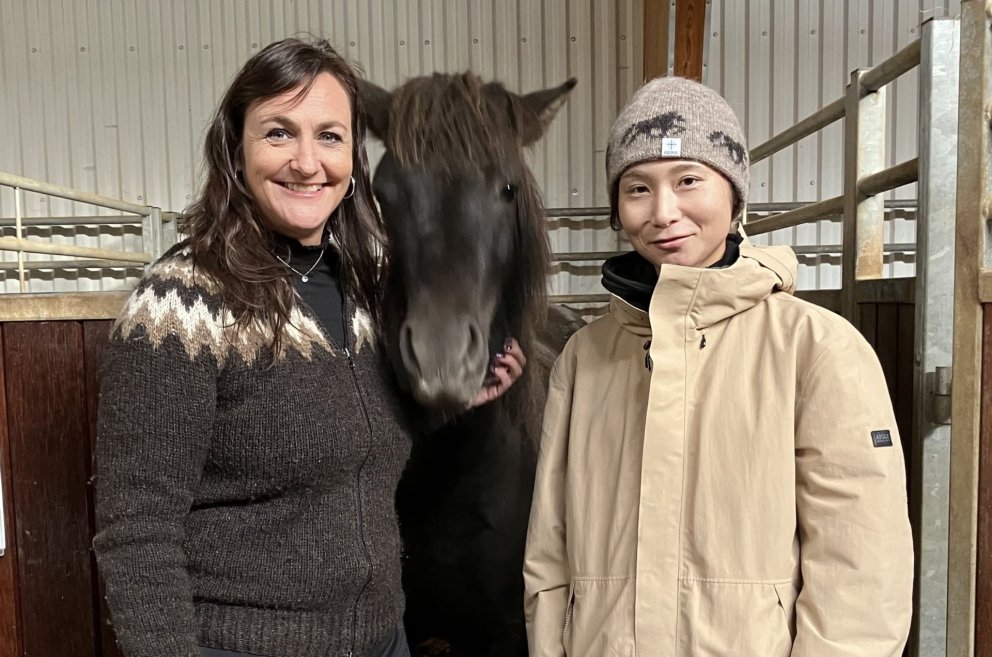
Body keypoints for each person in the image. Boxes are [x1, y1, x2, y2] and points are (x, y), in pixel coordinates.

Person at [93, 38, 525, 657]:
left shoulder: (362, 287)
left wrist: (452, 401)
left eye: (329, 136)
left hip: (381, 640)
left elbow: (353, 437)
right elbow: (137, 531)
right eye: (277, 134)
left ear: (355, 156)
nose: (306, 161)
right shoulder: (179, 306)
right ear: (235, 150)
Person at [523, 76, 913, 656]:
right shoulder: (586, 357)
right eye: (637, 188)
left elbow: (862, 568)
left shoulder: (818, 349)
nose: (663, 212)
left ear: (734, 196)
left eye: (688, 181)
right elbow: (549, 551)